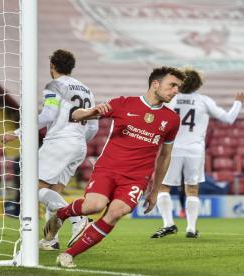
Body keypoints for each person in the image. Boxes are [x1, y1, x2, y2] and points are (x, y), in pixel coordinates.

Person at [43, 66, 185, 268]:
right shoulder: (123, 103)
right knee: (94, 206)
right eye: (172, 85)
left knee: (117, 212)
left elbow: (165, 156)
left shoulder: (172, 119)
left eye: (178, 87)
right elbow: (76, 116)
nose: (175, 91)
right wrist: (92, 111)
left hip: (136, 178)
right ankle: (62, 214)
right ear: (155, 84)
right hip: (108, 169)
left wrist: (155, 190)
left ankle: (69, 255)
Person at [0, 49, 98, 250]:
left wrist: (16, 133)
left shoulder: (54, 85)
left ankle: (78, 219)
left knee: (31, 188)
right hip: (78, 145)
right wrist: (77, 141)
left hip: (59, 142)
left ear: (52, 66)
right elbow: (94, 126)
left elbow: (47, 115)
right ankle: (50, 240)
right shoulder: (86, 90)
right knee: (53, 194)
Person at [151, 68, 244, 239]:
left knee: (164, 187)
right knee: (192, 189)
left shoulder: (170, 100)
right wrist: (238, 103)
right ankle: (191, 229)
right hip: (195, 150)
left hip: (172, 148)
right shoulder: (203, 101)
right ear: (198, 84)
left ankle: (168, 224)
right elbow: (229, 119)